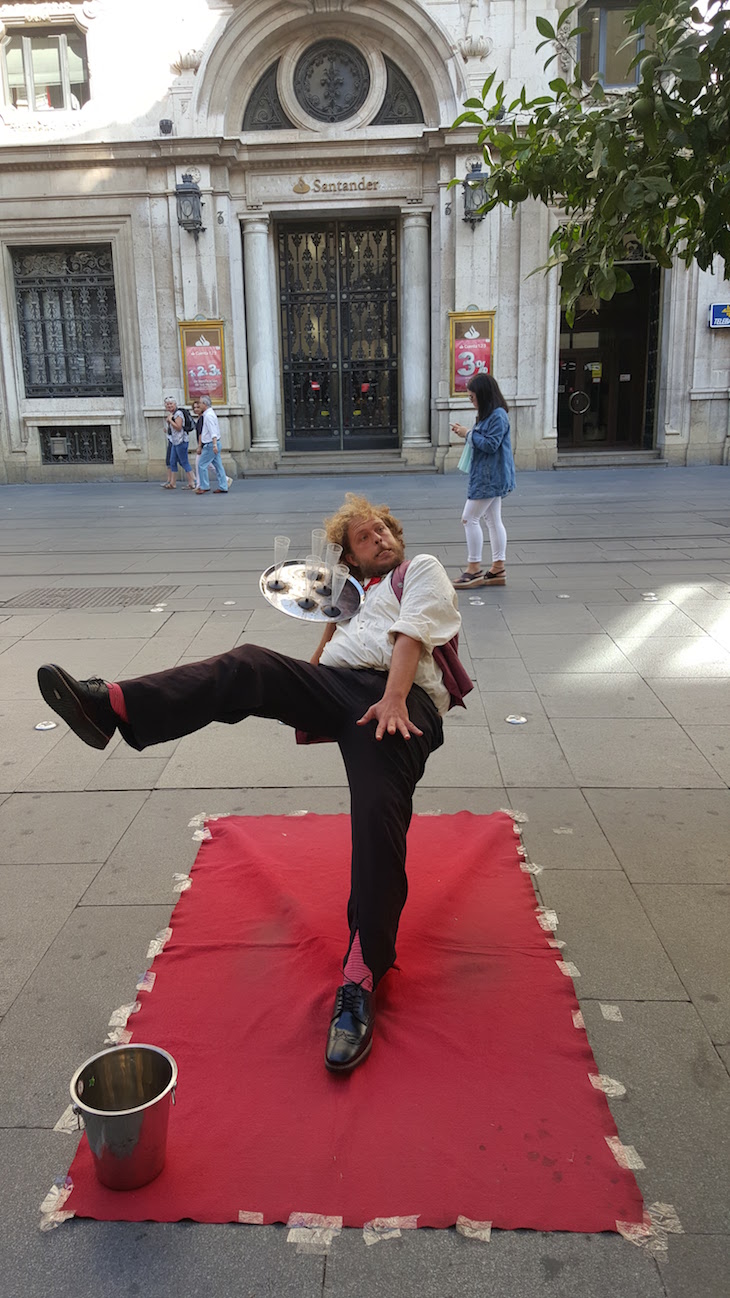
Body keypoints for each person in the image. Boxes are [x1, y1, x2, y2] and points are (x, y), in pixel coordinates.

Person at [37, 494, 461, 1075]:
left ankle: (361, 976)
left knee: (377, 821)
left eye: (385, 529)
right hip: (345, 695)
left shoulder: (421, 571)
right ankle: (111, 705)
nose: (382, 537)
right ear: (352, 559)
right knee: (251, 663)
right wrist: (332, 617)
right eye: (366, 537)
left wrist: (391, 699)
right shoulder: (354, 603)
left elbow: (412, 635)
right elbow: (320, 672)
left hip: (400, 704)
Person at [450, 373, 515, 589]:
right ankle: (498, 568)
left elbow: (490, 444)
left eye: (472, 397)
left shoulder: (497, 416)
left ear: (484, 395)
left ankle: (474, 569)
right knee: (493, 520)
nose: (471, 401)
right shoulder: (493, 414)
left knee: (469, 518)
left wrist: (467, 433)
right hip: (491, 475)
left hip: (490, 477)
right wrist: (466, 432)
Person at [195, 396, 230, 495]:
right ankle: (223, 486)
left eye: (200, 403)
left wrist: (214, 444)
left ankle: (204, 486)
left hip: (210, 444)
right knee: (218, 466)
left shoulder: (208, 415)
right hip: (214, 443)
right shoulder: (210, 413)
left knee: (201, 465)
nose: (199, 405)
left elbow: (213, 431)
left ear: (204, 404)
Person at [164, 397, 195, 491]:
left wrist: (170, 421)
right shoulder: (172, 414)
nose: (169, 406)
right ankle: (172, 483)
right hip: (174, 441)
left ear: (175, 404)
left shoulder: (178, 413)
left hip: (181, 441)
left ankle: (192, 482)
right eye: (167, 404)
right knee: (172, 461)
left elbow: (178, 427)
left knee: (184, 461)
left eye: (171, 404)